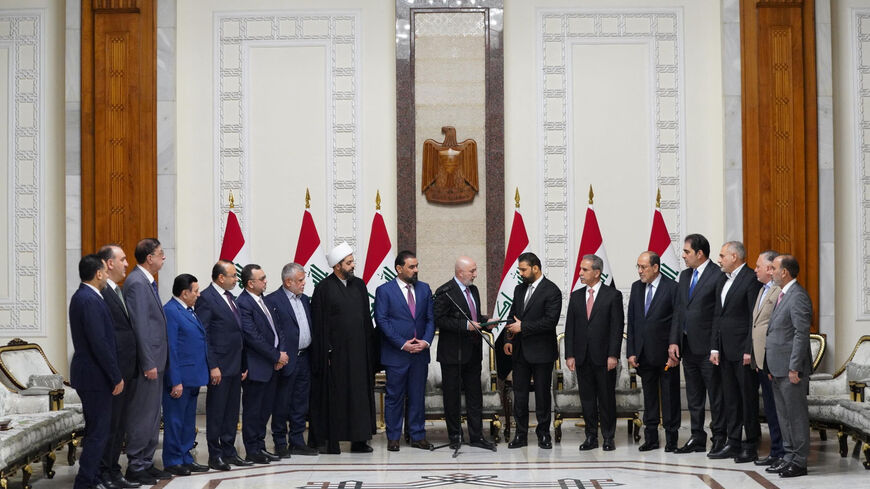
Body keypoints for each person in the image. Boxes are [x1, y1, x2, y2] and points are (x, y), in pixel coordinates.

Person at [310, 242, 377, 454]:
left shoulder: (359, 285)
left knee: (359, 397)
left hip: (359, 354)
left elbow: (366, 319)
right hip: (336, 356)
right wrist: (326, 350)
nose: (353, 266)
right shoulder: (323, 288)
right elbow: (319, 325)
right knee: (337, 398)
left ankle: (359, 440)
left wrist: (370, 350)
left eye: (352, 261)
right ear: (337, 266)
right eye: (348, 263)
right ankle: (333, 440)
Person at [668, 233, 726, 455]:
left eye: (686, 252)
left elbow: (718, 316)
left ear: (699, 254)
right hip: (687, 347)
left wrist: (715, 346)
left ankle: (719, 437)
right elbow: (679, 311)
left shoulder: (717, 275)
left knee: (716, 395)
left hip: (709, 350)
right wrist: (674, 341)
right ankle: (697, 437)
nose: (683, 256)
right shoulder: (684, 276)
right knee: (694, 397)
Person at [70, 254, 124, 489]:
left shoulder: (85, 296)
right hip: (95, 376)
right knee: (98, 432)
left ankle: (91, 478)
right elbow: (99, 342)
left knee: (97, 430)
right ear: (99, 273)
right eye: (104, 270)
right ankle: (85, 482)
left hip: (91, 373)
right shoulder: (89, 299)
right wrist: (115, 375)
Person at [433, 256, 497, 451]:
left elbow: (472, 317)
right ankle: (455, 436)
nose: (475, 275)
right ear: (460, 272)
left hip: (473, 352)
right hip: (452, 354)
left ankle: (476, 436)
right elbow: (439, 320)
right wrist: (464, 326)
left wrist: (486, 320)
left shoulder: (474, 290)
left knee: (474, 396)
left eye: (476, 270)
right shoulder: (445, 292)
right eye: (472, 271)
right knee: (451, 397)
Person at [375, 250, 435, 452]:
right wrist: (402, 343)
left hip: (419, 353)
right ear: (399, 268)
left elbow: (430, 319)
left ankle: (417, 435)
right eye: (411, 267)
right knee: (394, 397)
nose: (416, 270)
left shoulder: (425, 289)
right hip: (396, 354)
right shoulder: (384, 291)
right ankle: (393, 437)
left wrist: (426, 341)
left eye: (417, 266)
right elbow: (382, 321)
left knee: (418, 396)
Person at [195, 260, 251, 471]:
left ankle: (229, 451)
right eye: (233, 275)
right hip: (219, 366)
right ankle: (214, 454)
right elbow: (205, 335)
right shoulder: (207, 299)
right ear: (220, 278)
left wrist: (243, 363)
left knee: (231, 412)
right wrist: (213, 366)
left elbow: (237, 333)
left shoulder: (231, 298)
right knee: (217, 412)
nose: (237, 279)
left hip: (235, 365)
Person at [709, 241, 762, 461]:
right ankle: (733, 442)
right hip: (724, 350)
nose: (719, 259)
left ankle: (750, 445)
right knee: (730, 398)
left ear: (734, 257)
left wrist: (750, 350)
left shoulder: (750, 279)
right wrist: (714, 346)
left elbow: (754, 318)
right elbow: (717, 316)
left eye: (722, 255)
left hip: (743, 353)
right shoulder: (723, 280)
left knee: (747, 399)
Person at [124, 238, 171, 485]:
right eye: (160, 254)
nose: (164, 258)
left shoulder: (147, 282)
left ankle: (147, 461)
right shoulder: (136, 283)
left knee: (153, 415)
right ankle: (136, 465)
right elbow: (140, 326)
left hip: (157, 359)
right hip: (148, 363)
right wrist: (148, 361)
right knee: (143, 414)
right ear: (149, 257)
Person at [565, 254, 624, 452]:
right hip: (582, 357)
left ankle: (608, 437)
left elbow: (617, 327)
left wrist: (613, 355)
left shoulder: (612, 295)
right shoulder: (576, 296)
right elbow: (570, 327)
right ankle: (591, 437)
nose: (580, 273)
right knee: (587, 399)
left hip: (604, 357)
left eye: (585, 270)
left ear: (597, 273)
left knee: (606, 399)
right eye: (580, 269)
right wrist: (570, 354)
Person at [504, 252, 561, 449]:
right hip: (520, 351)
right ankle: (520, 434)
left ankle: (544, 434)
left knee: (542, 395)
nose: (520, 273)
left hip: (542, 351)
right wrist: (508, 337)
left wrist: (523, 327)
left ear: (535, 268)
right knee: (519, 395)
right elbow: (512, 315)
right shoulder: (519, 289)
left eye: (523, 269)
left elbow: (549, 321)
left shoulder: (552, 290)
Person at [95, 245, 141, 489]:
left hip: (127, 369)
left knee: (120, 425)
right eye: (122, 260)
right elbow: (105, 337)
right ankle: (104, 472)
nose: (126, 264)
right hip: (113, 373)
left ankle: (113, 470)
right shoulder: (101, 294)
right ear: (108, 264)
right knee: (110, 426)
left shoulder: (118, 291)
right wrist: (114, 373)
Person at [626, 251, 680, 452]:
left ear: (656, 267)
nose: (640, 271)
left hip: (666, 355)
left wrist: (674, 349)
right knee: (649, 398)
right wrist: (631, 351)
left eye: (643, 267)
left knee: (670, 397)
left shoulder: (672, 288)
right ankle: (651, 438)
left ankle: (672, 438)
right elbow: (632, 321)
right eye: (638, 267)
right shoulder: (636, 288)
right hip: (643, 354)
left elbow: (677, 320)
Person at [764, 255, 812, 478]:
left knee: (796, 416)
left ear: (784, 272)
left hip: (792, 369)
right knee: (784, 416)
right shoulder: (782, 295)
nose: (770, 271)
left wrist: (794, 368)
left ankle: (800, 462)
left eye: (773, 268)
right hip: (778, 367)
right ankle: (788, 456)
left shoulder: (798, 296)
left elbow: (801, 334)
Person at [265, 263, 319, 457]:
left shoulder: (304, 300)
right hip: (285, 360)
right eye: (300, 280)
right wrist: (277, 354)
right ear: (288, 281)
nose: (304, 283)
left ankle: (297, 440)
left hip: (304, 357)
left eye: (304, 279)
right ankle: (280, 442)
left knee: (300, 402)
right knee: (282, 402)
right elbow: (270, 332)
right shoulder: (272, 300)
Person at [237, 264, 288, 464]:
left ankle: (260, 446)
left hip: (272, 365)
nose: (266, 281)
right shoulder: (243, 303)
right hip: (257, 365)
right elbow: (252, 337)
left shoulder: (264, 300)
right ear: (250, 283)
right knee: (253, 411)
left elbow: (278, 329)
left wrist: (281, 354)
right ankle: (252, 449)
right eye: (262, 278)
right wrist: (276, 356)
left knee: (265, 409)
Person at [162, 274, 210, 476]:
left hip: (193, 376)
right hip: (179, 378)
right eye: (196, 291)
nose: (199, 295)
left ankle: (185, 457)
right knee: (175, 421)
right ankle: (173, 460)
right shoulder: (171, 311)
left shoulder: (189, 310)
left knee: (188, 421)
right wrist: (175, 380)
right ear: (184, 293)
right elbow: (171, 348)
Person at [749, 251, 784, 467]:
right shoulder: (761, 290)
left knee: (778, 409)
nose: (755, 269)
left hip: (773, 359)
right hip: (761, 359)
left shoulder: (780, 291)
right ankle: (775, 451)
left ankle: (781, 452)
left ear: (770, 269)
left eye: (759, 266)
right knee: (770, 408)